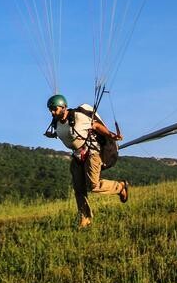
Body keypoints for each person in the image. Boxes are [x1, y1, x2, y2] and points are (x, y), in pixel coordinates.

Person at [46, 94, 128, 229]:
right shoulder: (56, 122)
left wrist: (111, 135)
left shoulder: (78, 117)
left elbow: (95, 125)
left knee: (94, 185)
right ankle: (85, 218)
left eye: (54, 109)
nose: (52, 112)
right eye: (50, 109)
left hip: (92, 153)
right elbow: (65, 132)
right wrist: (52, 135)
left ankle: (120, 187)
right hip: (77, 156)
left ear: (63, 107)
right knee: (78, 188)